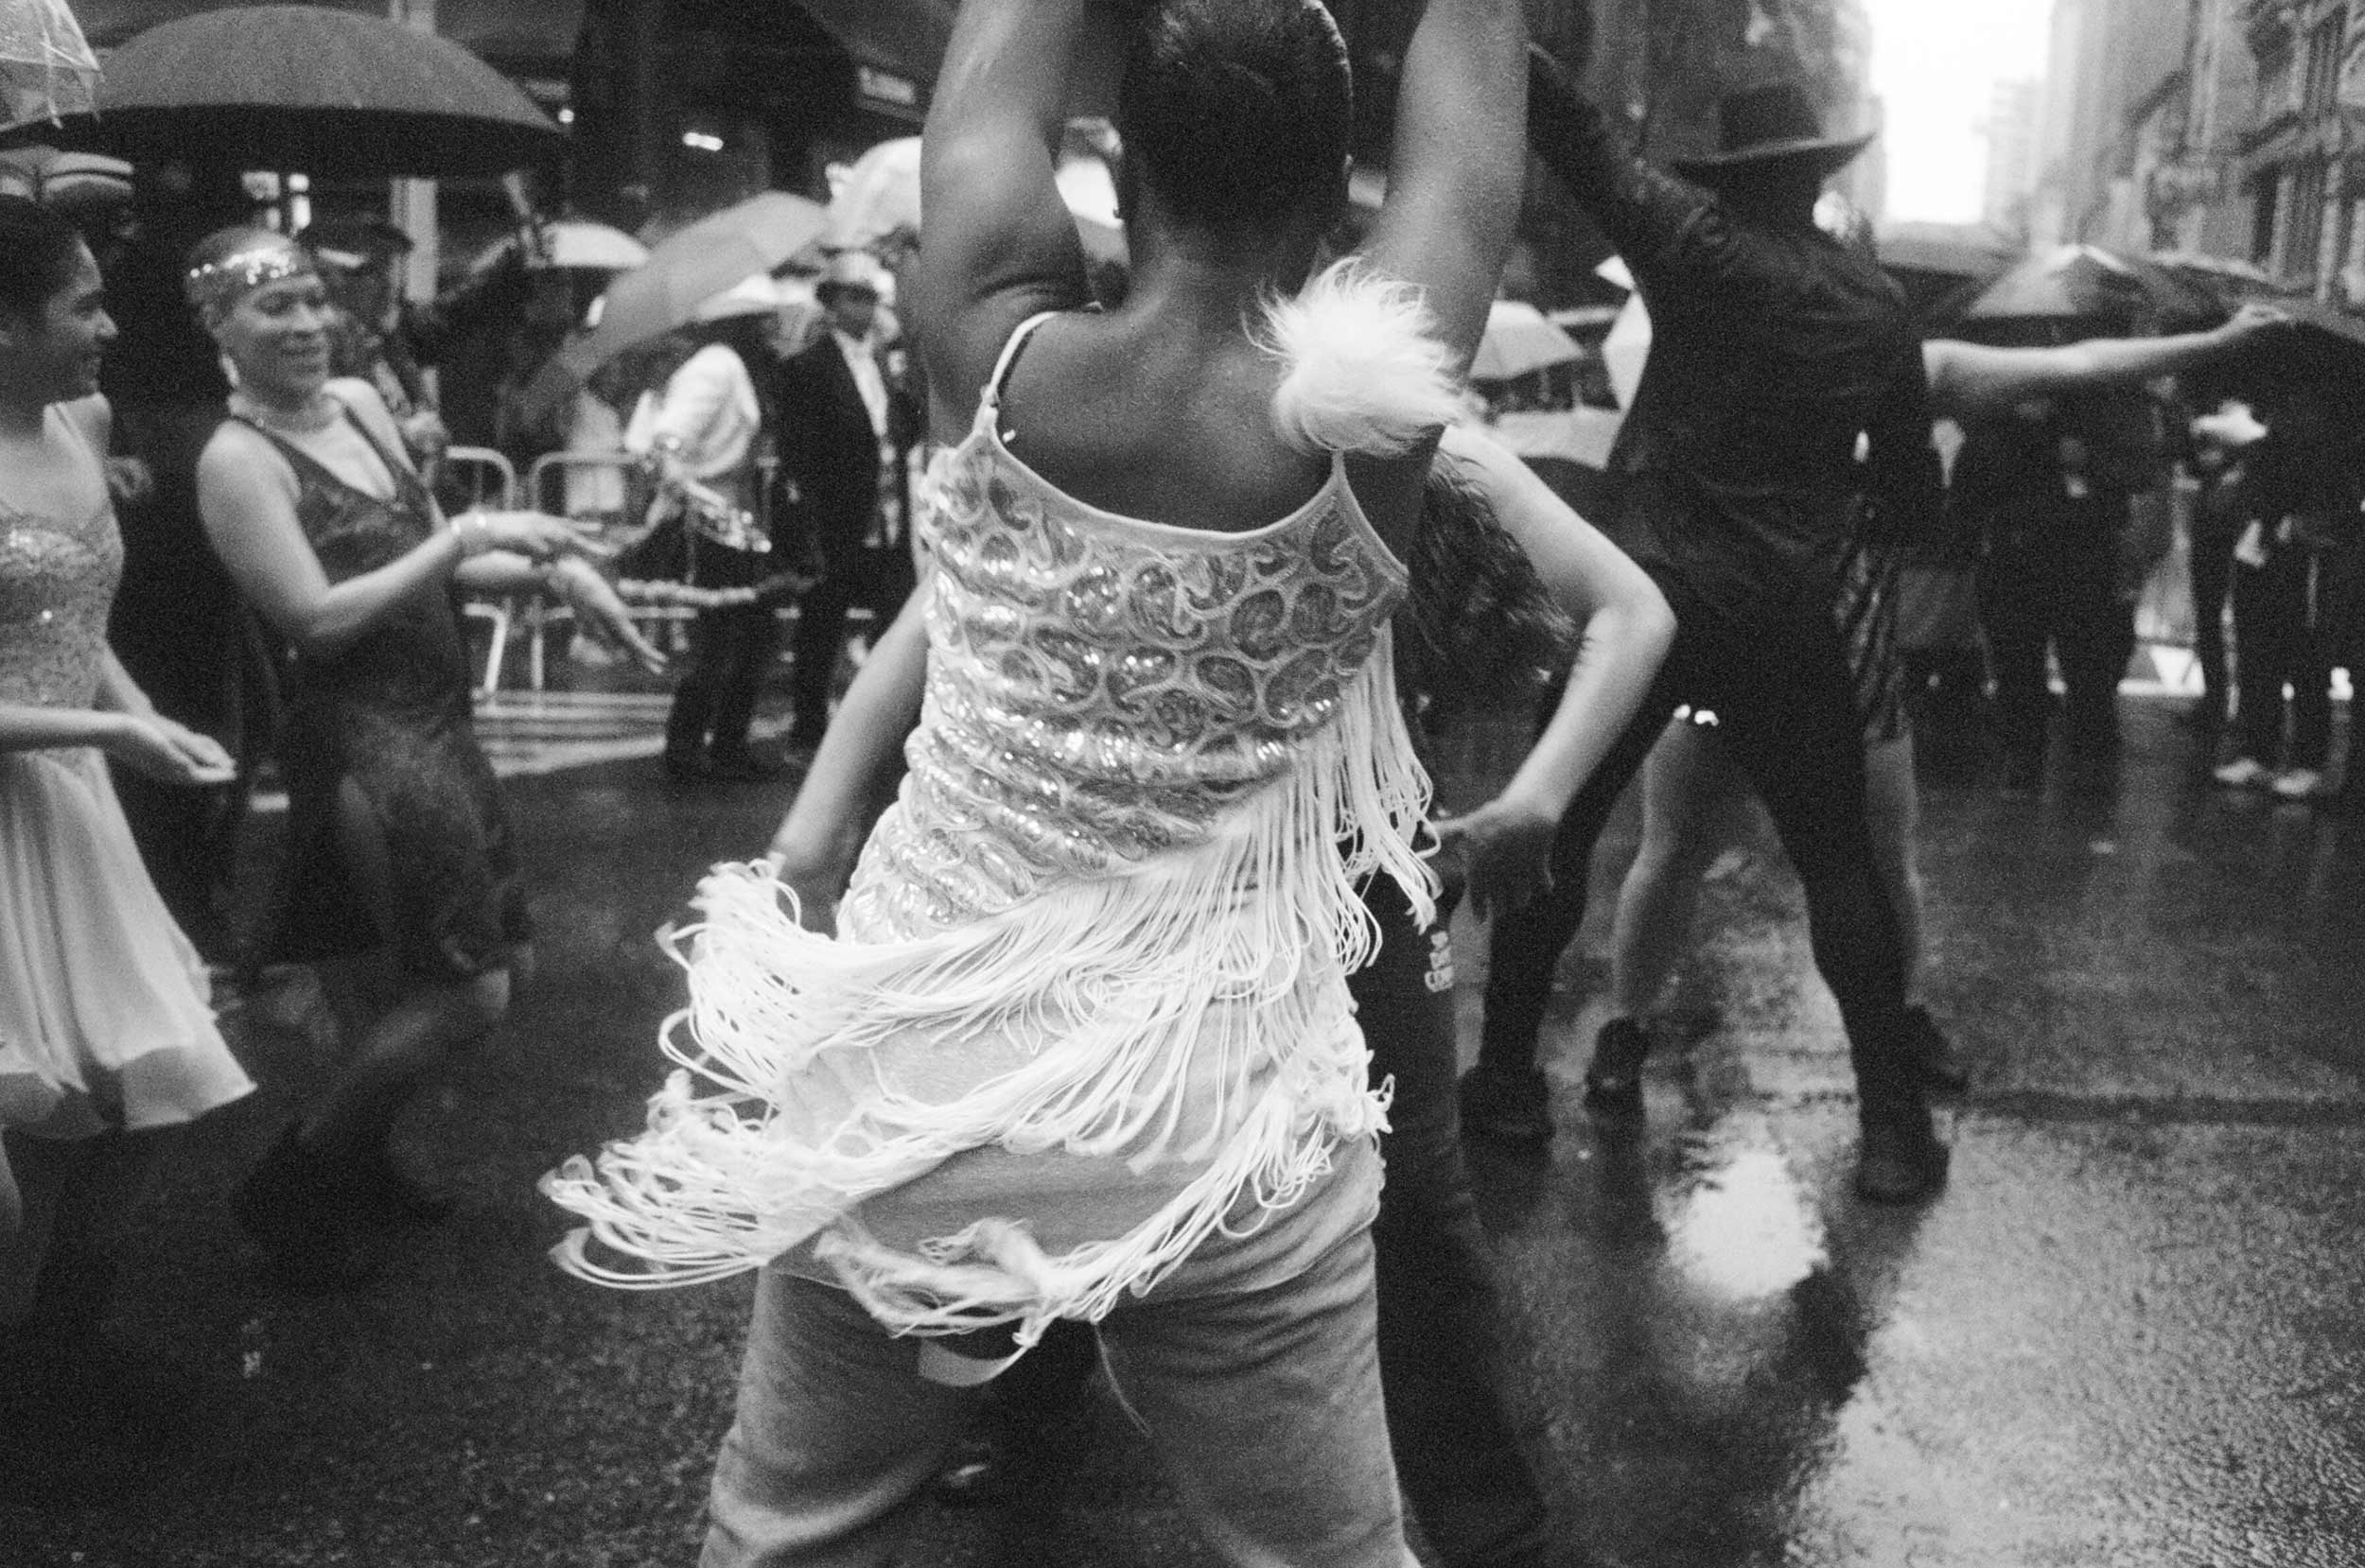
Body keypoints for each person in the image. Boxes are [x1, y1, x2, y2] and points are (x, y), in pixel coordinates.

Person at [544, 1, 1533, 1562]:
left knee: (787, 1532)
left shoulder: (992, 346)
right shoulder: (1371, 413)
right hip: (1215, 1119)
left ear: (1119, 166)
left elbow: (984, 97)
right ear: (1327, 196)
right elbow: (1474, 146)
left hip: (907, 1085)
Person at [1463, 52, 1951, 1204]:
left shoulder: (1694, 245)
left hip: (1652, 598)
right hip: (1790, 611)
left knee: (1567, 826)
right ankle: (1890, 1124)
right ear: (1815, 180)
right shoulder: (1876, 305)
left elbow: (1581, 135)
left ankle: (1506, 1082)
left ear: (1731, 177)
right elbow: (1917, 495)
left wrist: (1492, 34)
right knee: (1838, 862)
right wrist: (1840, 510)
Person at [1593, 309, 2293, 1096]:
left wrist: (2216, 345)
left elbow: (2083, 364)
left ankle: (1901, 1019)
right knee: (1677, 847)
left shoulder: (1898, 373)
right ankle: (1625, 1027)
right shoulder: (1715, 371)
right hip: (1724, 653)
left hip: (1849, 659)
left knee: (1881, 858)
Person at [184, 227, 661, 1290]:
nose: (306, 324)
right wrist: (461, 539)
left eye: (314, 299)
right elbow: (314, 617)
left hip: (443, 719)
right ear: (218, 326)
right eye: (273, 309)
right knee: (466, 991)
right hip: (363, 739)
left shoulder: (357, 404)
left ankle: (359, 1160)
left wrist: (551, 572)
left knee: (456, 974)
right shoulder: (236, 460)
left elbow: (438, 560)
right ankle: (294, 1181)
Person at [0, 195, 254, 1475]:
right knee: (22, 1137)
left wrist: (151, 714)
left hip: (73, 803)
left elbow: (71, 607)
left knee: (142, 1096)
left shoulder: (85, 421)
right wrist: (117, 741)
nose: (108, 324)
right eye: (82, 302)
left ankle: (54, 1349)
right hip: (15, 809)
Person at [639, 307, 793, 783]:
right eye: (760, 320)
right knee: (722, 641)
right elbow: (667, 442)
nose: (770, 328)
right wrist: (695, 493)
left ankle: (724, 745)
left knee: (747, 638)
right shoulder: (715, 366)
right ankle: (689, 748)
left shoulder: (734, 366)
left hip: (736, 523)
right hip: (712, 527)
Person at [772, 249, 917, 750]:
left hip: (888, 517)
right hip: (837, 520)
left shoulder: (884, 360)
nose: (866, 307)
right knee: (821, 630)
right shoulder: (808, 367)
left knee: (897, 623)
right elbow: (798, 454)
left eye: (871, 297)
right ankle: (808, 729)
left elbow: (901, 428)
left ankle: (888, 727)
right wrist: (806, 526)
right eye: (855, 296)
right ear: (832, 302)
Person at [2212, 392, 2356, 800]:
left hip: (2303, 560)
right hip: (2264, 553)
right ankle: (2260, 751)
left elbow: (2333, 506)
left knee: (2306, 663)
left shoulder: (2326, 445)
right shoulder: (2268, 445)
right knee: (2260, 656)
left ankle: (2307, 761)